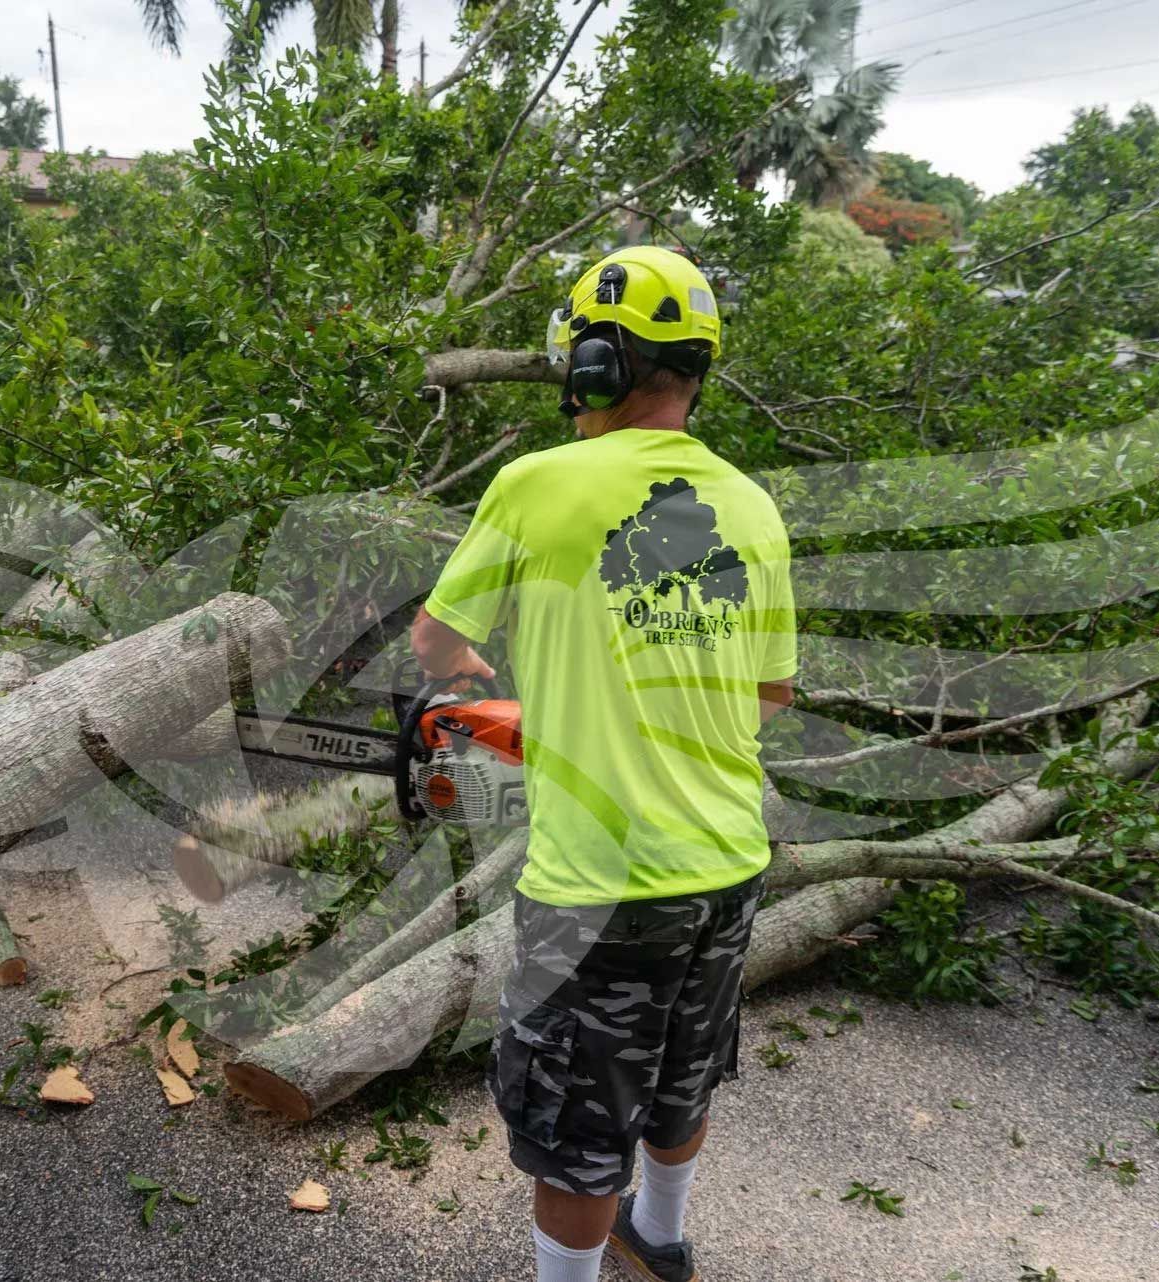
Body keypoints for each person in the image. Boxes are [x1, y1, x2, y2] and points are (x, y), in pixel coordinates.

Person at [410, 246, 797, 1282]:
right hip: (727, 860)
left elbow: (437, 644)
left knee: (579, 1129)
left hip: (601, 886)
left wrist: (494, 680)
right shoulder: (752, 506)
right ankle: (659, 1236)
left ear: (594, 364)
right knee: (681, 1078)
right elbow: (768, 692)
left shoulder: (538, 483)